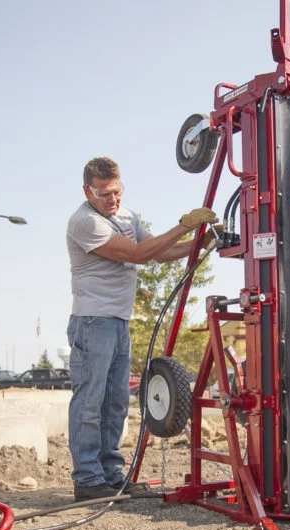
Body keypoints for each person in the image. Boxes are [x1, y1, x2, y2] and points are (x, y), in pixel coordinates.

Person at [65, 156, 217, 501]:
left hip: (119, 321)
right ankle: (87, 480)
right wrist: (184, 226)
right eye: (104, 194)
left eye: (116, 192)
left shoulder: (126, 216)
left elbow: (158, 253)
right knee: (90, 402)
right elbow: (137, 254)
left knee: (116, 402)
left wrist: (199, 244)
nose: (112, 200)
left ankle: (111, 476)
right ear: (87, 191)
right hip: (92, 321)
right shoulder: (85, 222)